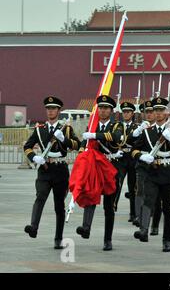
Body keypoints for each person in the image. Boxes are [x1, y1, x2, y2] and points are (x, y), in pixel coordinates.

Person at [131, 97, 170, 252]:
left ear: (167, 112)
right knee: (148, 200)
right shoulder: (147, 132)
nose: (157, 113)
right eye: (155, 110)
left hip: (169, 172)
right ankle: (144, 230)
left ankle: (166, 240)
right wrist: (141, 156)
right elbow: (133, 149)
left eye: (161, 110)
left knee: (167, 208)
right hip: (152, 171)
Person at [23, 96, 80, 249]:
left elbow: (76, 144)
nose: (50, 111)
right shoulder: (39, 129)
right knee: (40, 196)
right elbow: (28, 146)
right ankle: (33, 227)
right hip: (45, 168)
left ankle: (58, 238)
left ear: (58, 110)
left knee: (58, 205)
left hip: (60, 169)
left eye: (53, 108)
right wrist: (34, 157)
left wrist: (64, 140)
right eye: (48, 109)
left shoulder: (65, 128)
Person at [76, 95, 124, 251]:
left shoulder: (117, 125)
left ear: (111, 110)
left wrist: (95, 135)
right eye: (101, 108)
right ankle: (86, 228)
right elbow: (84, 145)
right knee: (90, 195)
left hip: (110, 167)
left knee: (109, 207)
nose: (103, 111)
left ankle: (107, 239)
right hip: (95, 167)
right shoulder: (91, 126)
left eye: (106, 108)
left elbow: (115, 137)